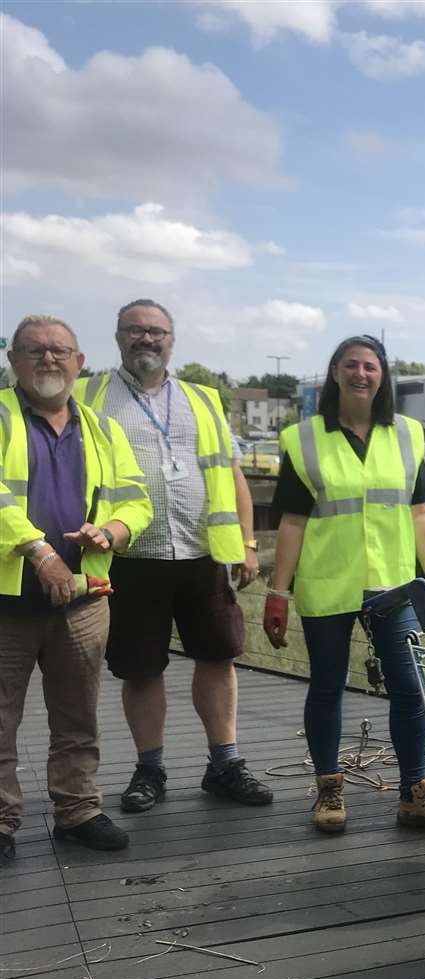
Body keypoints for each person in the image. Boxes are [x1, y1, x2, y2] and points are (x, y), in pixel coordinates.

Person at [74, 299, 272, 813]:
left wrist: (248, 542)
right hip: (129, 554)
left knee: (218, 655)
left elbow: (231, 475)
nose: (147, 339)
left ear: (171, 339)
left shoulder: (202, 399)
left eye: (157, 332)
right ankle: (150, 768)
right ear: (118, 337)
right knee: (140, 668)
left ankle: (224, 764)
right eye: (136, 331)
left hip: (203, 552)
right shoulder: (88, 396)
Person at [263, 335, 425, 836]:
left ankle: (414, 792)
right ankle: (329, 787)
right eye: (350, 365)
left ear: (382, 376)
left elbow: (420, 513)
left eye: (370, 366)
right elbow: (292, 521)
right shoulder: (304, 438)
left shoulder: (407, 434)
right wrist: (277, 592)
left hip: (394, 585)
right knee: (327, 687)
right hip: (328, 582)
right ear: (335, 373)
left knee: (409, 689)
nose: (360, 374)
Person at [0, 315, 153, 857]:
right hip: (8, 599)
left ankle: (78, 809)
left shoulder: (101, 428)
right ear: (13, 359)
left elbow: (137, 498)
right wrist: (39, 551)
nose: (48, 360)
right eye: (35, 350)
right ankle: (1, 820)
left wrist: (110, 530)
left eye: (60, 351)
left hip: (83, 597)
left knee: (78, 712)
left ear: (79, 363)